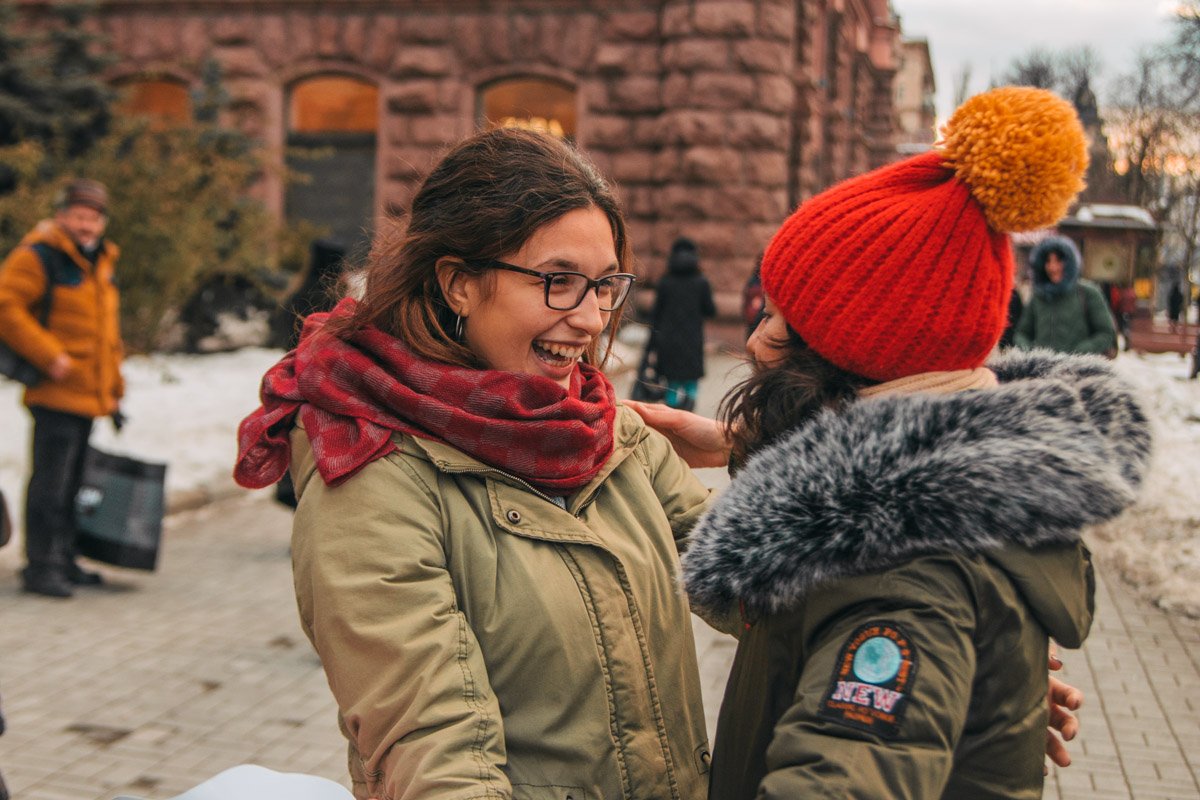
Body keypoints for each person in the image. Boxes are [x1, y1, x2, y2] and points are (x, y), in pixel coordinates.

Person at [629, 87, 1150, 798]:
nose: (753, 342)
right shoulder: (919, 504)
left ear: (856, 357)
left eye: (782, 322)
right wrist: (717, 450)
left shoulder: (903, 568)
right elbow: (796, 608)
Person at [234, 128, 721, 800]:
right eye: (557, 282)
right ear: (459, 283)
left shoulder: (609, 433)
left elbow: (766, 591)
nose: (587, 319)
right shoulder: (375, 472)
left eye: (604, 286)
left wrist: (766, 446)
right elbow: (431, 741)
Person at [0, 179, 124, 598]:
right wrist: (47, 354)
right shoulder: (38, 256)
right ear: (61, 216)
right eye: (78, 216)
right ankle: (40, 565)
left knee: (74, 482)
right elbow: (5, 306)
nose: (86, 225)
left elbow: (105, 330)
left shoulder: (99, 260)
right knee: (50, 482)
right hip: (55, 391)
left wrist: (115, 384)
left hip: (90, 392)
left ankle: (65, 558)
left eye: (93, 218)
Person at [1014, 235, 1117, 356]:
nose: (1053, 267)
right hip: (1045, 370)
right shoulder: (1038, 296)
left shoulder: (1088, 293)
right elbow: (1022, 333)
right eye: (1048, 261)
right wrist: (1030, 352)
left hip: (1080, 370)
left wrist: (1079, 352)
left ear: (1070, 263)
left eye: (1058, 260)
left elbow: (1106, 334)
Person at [650, 236, 716, 411]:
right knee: (690, 385)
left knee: (671, 383)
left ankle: (671, 423)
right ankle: (689, 417)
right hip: (692, 341)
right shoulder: (701, 282)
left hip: (669, 341)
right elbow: (710, 310)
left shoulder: (665, 282)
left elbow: (655, 314)